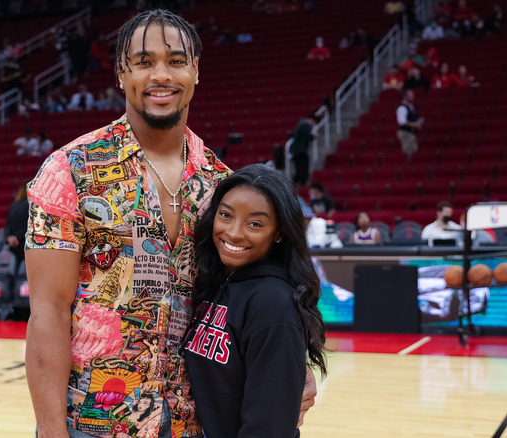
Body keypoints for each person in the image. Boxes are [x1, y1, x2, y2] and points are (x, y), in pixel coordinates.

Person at [24, 10, 318, 438]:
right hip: (94, 423)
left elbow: (263, 291)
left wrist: (295, 366)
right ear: (121, 74)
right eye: (144, 62)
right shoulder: (70, 171)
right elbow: (47, 311)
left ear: (195, 71)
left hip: (195, 423)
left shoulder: (222, 186)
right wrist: (51, 431)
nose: (161, 74)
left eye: (177, 61)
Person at [184, 164, 327, 438]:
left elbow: (269, 427)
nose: (235, 233)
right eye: (226, 215)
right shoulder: (217, 283)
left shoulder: (274, 304)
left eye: (255, 224)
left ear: (279, 232)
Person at [396, 89, 423, 162]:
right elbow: (402, 121)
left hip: (411, 132)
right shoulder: (402, 108)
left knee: (414, 151)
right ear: (405, 96)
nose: (412, 96)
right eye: (410, 95)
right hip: (406, 133)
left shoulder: (410, 107)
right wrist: (414, 124)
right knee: (408, 153)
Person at [289, 114, 316, 186]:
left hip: (297, 152)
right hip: (301, 152)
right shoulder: (305, 125)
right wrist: (314, 135)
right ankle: (301, 186)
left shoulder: (300, 125)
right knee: (303, 171)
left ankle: (293, 186)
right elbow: (308, 136)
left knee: (299, 172)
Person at [5, 185, 29, 262]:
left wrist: (10, 237)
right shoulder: (31, 205)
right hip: (25, 242)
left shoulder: (13, 205)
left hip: (13, 244)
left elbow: (8, 226)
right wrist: (17, 237)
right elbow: (30, 226)